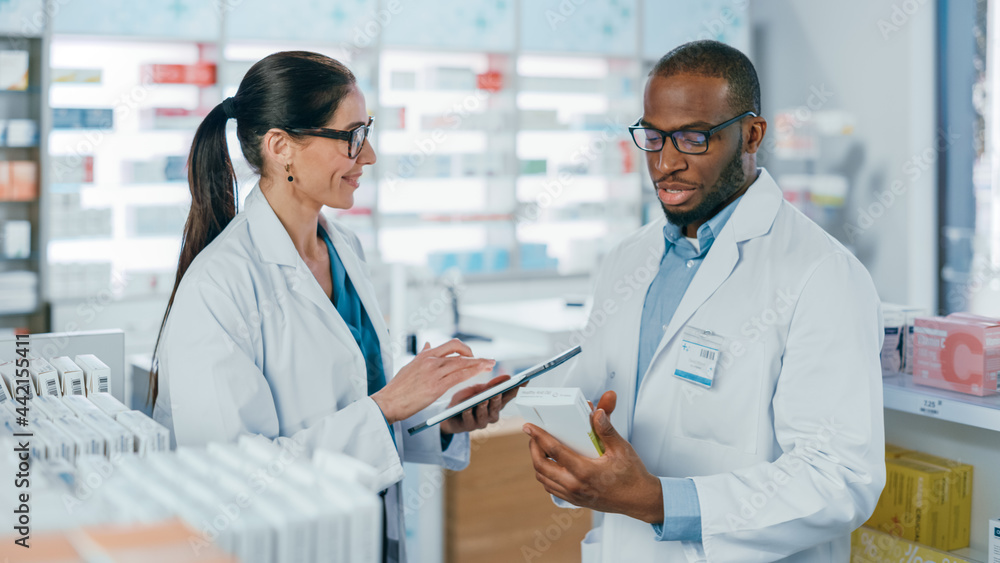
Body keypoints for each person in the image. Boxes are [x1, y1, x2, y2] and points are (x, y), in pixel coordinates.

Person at [524, 40, 885, 562]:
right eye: (653, 137)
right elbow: (596, 407)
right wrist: (567, 455)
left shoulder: (821, 274)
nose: (665, 163)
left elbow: (840, 478)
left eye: (693, 138)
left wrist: (660, 501)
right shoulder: (628, 259)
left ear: (752, 134)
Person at [150, 51, 512, 563]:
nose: (369, 157)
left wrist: (437, 418)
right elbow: (234, 478)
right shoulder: (219, 286)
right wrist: (387, 406)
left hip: (367, 534)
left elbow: (351, 409)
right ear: (281, 148)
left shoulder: (344, 250)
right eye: (351, 137)